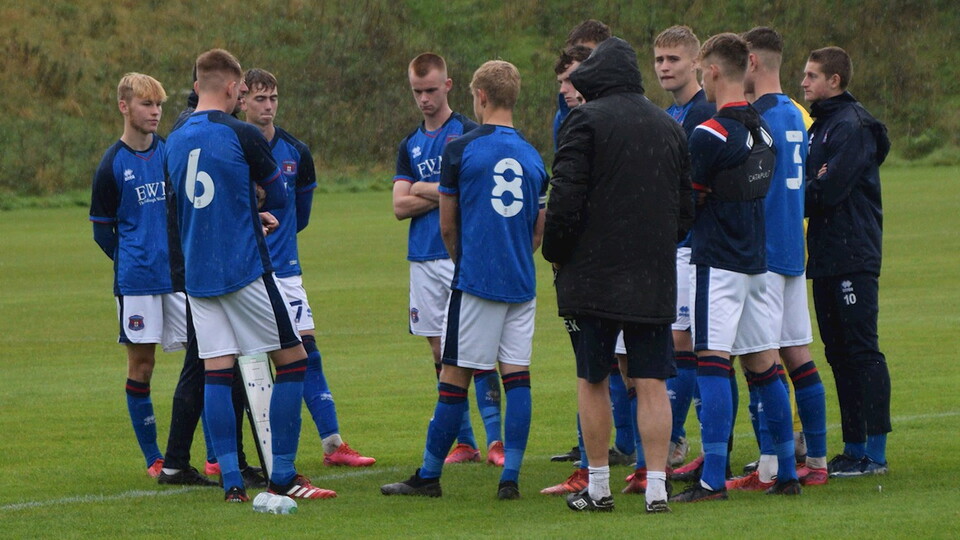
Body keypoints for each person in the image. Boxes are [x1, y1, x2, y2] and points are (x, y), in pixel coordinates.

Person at [164, 48, 332, 502]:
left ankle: (232, 484)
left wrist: (239, 210)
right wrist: (251, 209)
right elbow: (277, 196)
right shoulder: (242, 134)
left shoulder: (173, 140)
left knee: (217, 370)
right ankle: (284, 476)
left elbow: (182, 209)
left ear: (197, 86)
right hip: (244, 269)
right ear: (232, 87)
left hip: (198, 276)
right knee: (294, 362)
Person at [381, 59, 547, 500]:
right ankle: (510, 479)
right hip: (521, 283)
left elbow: (448, 226)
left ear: (480, 96)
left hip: (475, 281)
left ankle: (429, 475)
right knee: (517, 376)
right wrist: (515, 257)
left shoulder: (462, 150)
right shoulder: (533, 155)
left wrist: (465, 261)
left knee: (453, 376)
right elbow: (539, 228)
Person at [543, 36, 693, 514]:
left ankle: (599, 487)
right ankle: (657, 489)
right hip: (653, 274)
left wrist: (557, 254)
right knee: (651, 380)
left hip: (592, 275)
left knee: (592, 377)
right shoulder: (669, 126)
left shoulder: (584, 121)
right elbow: (685, 210)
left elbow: (565, 199)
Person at [669, 33, 799, 503]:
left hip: (718, 263)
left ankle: (712, 481)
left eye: (703, 71)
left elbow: (689, 201)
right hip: (757, 263)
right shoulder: (763, 130)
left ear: (712, 71)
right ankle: (787, 473)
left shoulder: (709, 133)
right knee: (764, 366)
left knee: (711, 363)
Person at [242, 67, 375, 467]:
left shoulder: (296, 152)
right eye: (260, 98)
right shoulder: (231, 147)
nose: (268, 106)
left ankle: (333, 444)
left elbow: (299, 217)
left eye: (273, 98)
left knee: (307, 352)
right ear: (242, 100)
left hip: (285, 271)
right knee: (233, 365)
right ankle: (224, 456)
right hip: (243, 272)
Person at [725, 26, 828, 491]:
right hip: (791, 250)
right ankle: (817, 460)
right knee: (798, 356)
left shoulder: (757, 118)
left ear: (751, 62)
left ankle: (771, 466)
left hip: (762, 252)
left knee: (761, 363)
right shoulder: (795, 114)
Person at [392, 53, 504, 466]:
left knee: (477, 350)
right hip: (422, 257)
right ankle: (465, 442)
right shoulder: (410, 144)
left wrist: (422, 188)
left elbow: (472, 196)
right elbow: (399, 207)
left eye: (431, 90)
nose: (424, 99)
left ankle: (496, 442)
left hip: (460, 254)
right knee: (440, 353)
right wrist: (441, 190)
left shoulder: (469, 134)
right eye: (417, 92)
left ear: (448, 86)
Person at [158, 67, 265, 489]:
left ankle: (192, 461)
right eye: (241, 90)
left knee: (210, 363)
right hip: (206, 263)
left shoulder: (184, 129)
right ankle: (213, 462)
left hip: (195, 260)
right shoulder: (205, 131)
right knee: (214, 363)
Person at [541, 42, 636, 497]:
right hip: (616, 262)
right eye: (562, 81)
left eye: (571, 79)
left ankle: (606, 466)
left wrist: (558, 251)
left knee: (611, 368)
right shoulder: (568, 118)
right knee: (606, 366)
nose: (566, 88)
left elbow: (569, 198)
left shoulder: (597, 119)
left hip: (604, 265)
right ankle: (610, 457)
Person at [89, 73, 189, 480]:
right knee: (142, 366)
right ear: (124, 107)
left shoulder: (170, 154)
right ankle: (154, 458)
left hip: (180, 280)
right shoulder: (111, 165)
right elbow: (102, 232)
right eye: (147, 104)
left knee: (205, 359)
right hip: (137, 284)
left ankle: (218, 454)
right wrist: (133, 259)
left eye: (159, 105)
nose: (155, 112)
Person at [801, 46, 890, 477]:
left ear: (834, 81)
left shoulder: (853, 125)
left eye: (812, 76)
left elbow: (828, 190)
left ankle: (874, 453)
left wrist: (807, 187)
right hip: (825, 255)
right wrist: (810, 184)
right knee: (837, 353)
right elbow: (813, 184)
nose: (804, 82)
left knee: (861, 350)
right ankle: (853, 447)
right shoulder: (823, 125)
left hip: (853, 254)